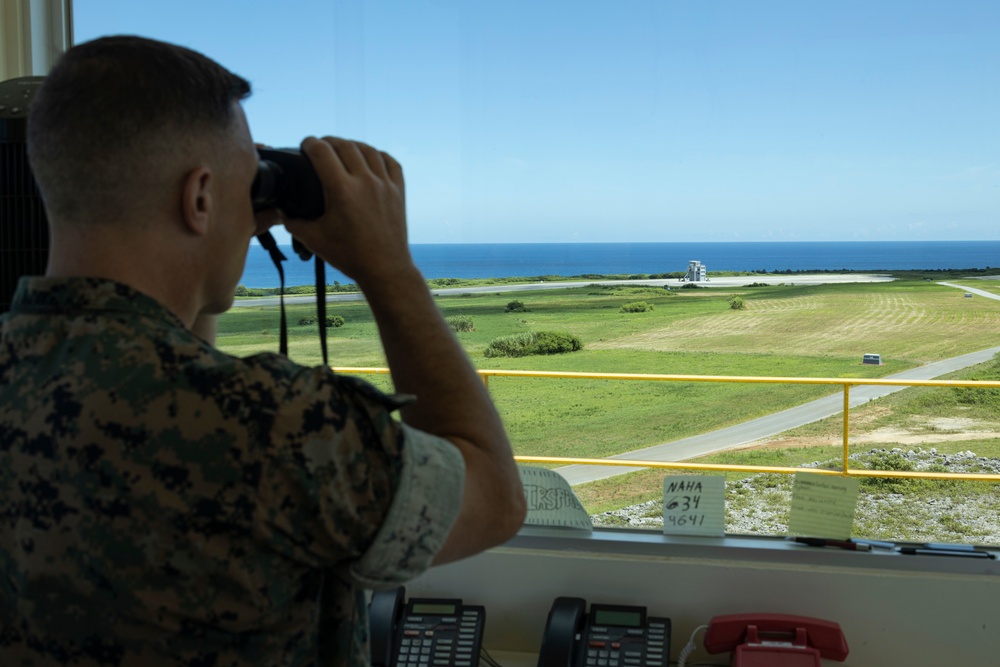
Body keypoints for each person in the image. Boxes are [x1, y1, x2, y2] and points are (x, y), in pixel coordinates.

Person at [0, 35, 526, 666]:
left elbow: (162, 359)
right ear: (199, 198)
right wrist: (390, 269)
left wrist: (204, 249)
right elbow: (494, 498)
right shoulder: (276, 426)